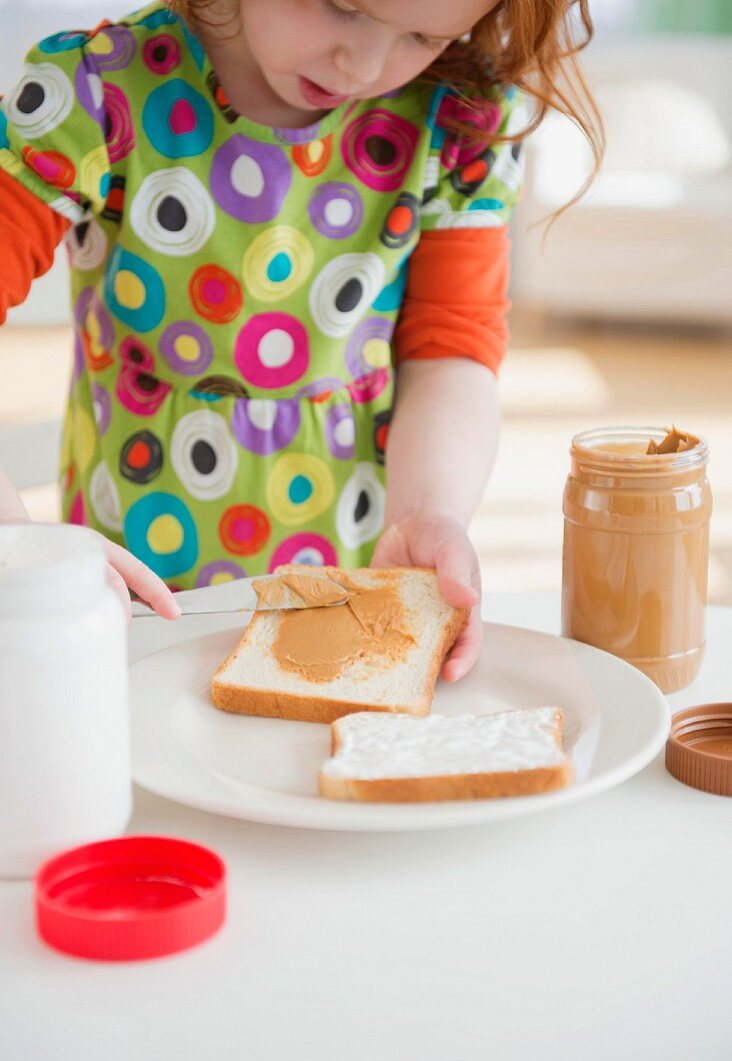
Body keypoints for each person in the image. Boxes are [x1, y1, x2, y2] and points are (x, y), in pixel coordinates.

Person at [0, 0, 600, 674]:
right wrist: (15, 543)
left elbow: (452, 351)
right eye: (343, 7)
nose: (364, 66)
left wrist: (429, 511)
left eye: (424, 37)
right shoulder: (95, 89)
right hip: (133, 562)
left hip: (355, 550)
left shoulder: (457, 115)